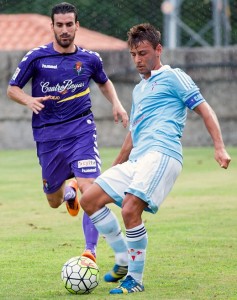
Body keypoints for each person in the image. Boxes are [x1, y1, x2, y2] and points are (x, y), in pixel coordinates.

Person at [79, 23, 231, 294]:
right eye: (134, 54)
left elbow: (205, 110)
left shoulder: (175, 77)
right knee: (89, 199)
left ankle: (135, 280)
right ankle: (123, 260)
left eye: (143, 53)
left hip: (163, 153)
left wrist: (219, 147)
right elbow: (132, 136)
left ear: (158, 50)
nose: (138, 60)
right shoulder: (139, 90)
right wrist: (113, 170)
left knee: (129, 209)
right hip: (138, 160)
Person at [7, 2, 128, 263]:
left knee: (92, 190)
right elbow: (12, 88)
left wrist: (116, 104)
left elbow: (104, 82)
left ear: (77, 26)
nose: (64, 30)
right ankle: (68, 187)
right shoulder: (36, 58)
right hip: (48, 137)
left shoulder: (90, 59)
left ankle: (90, 251)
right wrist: (28, 100)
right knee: (53, 200)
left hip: (81, 131)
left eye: (69, 24)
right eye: (59, 25)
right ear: (52, 27)